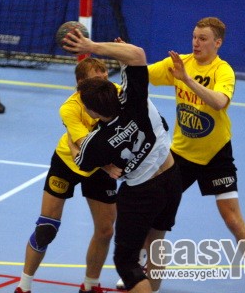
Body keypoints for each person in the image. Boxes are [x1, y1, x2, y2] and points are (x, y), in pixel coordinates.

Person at [147, 17, 245, 293]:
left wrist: (186, 79)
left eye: (203, 38)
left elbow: (219, 102)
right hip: (181, 154)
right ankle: (142, 274)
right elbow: (142, 74)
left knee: (232, 219)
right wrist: (121, 54)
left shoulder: (222, 71)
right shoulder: (179, 62)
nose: (196, 43)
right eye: (194, 37)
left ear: (217, 43)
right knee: (153, 211)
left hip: (216, 155)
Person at [62, 31, 182, 293]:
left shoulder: (98, 142)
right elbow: (137, 55)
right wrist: (93, 46)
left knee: (127, 263)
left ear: (92, 111)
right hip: (172, 175)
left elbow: (80, 158)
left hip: (142, 192)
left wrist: (71, 135)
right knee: (156, 241)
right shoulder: (133, 98)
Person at [14, 58, 117, 293]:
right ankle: (23, 286)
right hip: (68, 163)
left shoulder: (116, 93)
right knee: (46, 229)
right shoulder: (70, 108)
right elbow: (85, 147)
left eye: (105, 77)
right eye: (97, 79)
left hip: (100, 168)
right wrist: (108, 167)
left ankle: (90, 285)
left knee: (105, 230)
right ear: (81, 84)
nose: (104, 83)